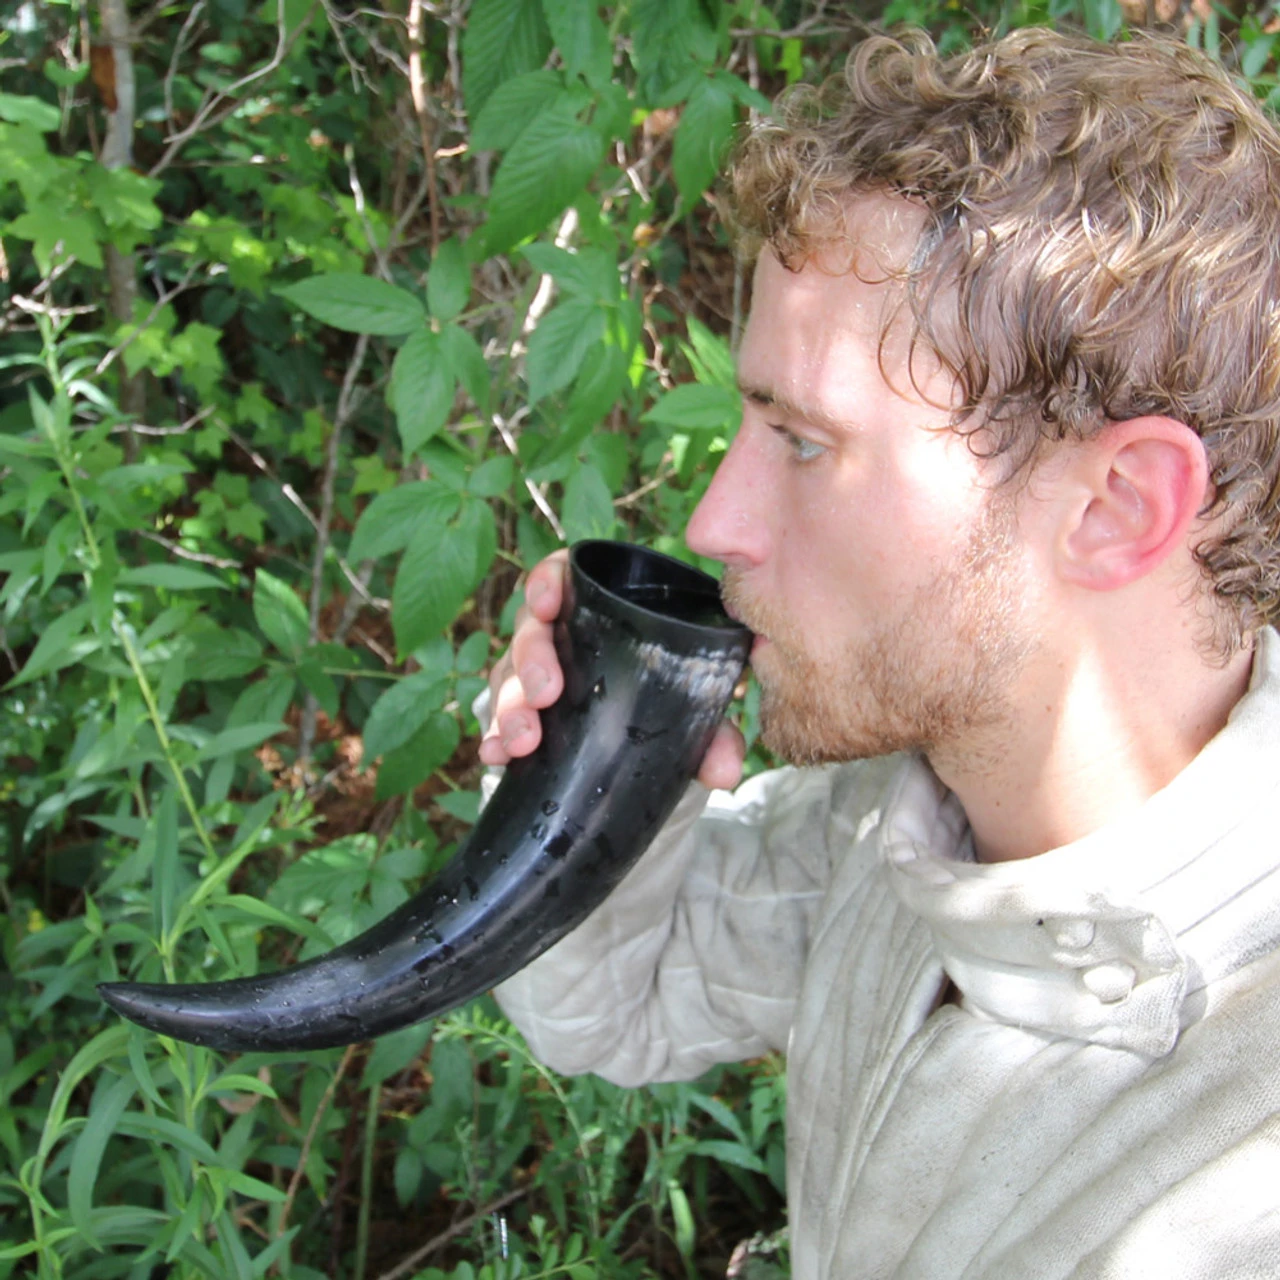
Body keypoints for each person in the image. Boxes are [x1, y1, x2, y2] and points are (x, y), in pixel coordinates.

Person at [479, 27, 1280, 1279]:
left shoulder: (1244, 1150)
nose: (709, 525)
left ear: (1117, 504)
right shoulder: (899, 811)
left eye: (803, 442)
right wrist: (584, 768)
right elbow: (613, 999)